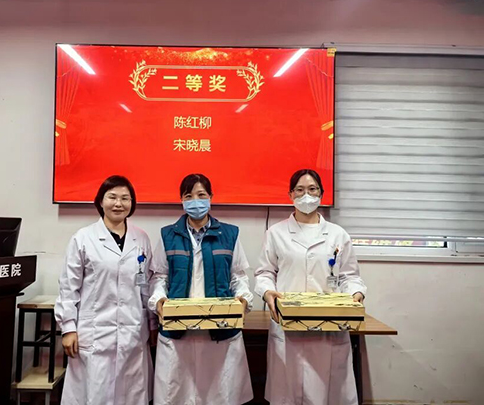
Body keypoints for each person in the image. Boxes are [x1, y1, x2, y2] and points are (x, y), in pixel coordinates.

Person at [254, 169, 367, 405]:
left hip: (330, 326)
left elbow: (350, 276)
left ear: (321, 194)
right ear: (290, 195)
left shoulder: (337, 234)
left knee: (327, 393)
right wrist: (267, 292)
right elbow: (265, 272)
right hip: (288, 326)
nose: (306, 195)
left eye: (312, 189)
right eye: (300, 190)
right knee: (289, 394)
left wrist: (355, 293)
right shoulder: (275, 233)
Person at [148, 173, 254, 405]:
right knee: (178, 396)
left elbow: (238, 276)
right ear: (181, 200)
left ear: (211, 197)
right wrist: (159, 300)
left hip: (219, 330)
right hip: (179, 331)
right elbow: (159, 277)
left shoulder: (229, 234)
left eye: (201, 195)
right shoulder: (168, 235)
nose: (195, 201)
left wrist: (243, 299)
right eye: (189, 196)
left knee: (220, 396)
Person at [55, 175, 155, 405]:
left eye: (125, 198)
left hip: (132, 331)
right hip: (94, 332)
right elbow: (69, 287)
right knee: (95, 393)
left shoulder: (141, 239)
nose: (118, 203)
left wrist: (152, 325)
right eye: (112, 197)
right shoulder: (83, 238)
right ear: (101, 201)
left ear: (132, 203)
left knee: (131, 394)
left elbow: (146, 286)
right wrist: (68, 328)